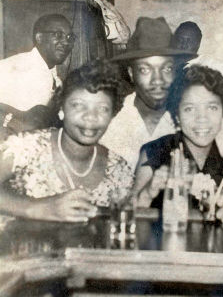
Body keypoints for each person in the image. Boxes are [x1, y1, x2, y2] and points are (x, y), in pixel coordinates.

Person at [100, 17, 223, 169]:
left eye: (166, 69)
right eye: (145, 69)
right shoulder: (114, 119)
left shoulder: (189, 107)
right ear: (131, 73)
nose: (157, 79)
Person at [0, 59, 133, 223]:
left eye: (102, 108)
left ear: (113, 115)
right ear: (62, 109)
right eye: (78, 105)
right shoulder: (26, 148)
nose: (90, 117)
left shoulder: (119, 170)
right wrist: (37, 208)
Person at [135, 65, 223, 222]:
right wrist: (148, 192)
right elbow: (130, 212)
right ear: (177, 115)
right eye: (190, 109)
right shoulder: (155, 151)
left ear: (222, 114)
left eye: (212, 108)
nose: (202, 119)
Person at [0, 14, 75, 137]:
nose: (66, 42)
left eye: (69, 37)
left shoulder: (57, 81)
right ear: (39, 38)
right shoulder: (12, 67)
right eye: (58, 35)